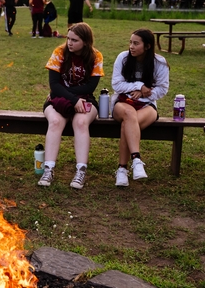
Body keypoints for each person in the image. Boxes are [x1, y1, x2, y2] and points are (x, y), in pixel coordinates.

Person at [38, 22, 104, 189]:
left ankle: (80, 171)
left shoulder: (96, 56)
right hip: (59, 100)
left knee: (80, 122)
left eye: (74, 40)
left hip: (85, 99)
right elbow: (54, 85)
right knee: (55, 122)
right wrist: (73, 99)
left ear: (86, 42)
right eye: (68, 38)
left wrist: (68, 94)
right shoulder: (60, 52)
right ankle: (49, 169)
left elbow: (90, 87)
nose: (69, 43)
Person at [111, 28, 169, 187]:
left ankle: (122, 170)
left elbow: (162, 89)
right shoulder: (123, 58)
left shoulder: (160, 63)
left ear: (148, 46)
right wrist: (139, 85)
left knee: (127, 124)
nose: (131, 46)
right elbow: (116, 84)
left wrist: (145, 94)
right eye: (130, 42)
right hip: (123, 104)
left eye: (136, 43)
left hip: (147, 105)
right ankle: (136, 160)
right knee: (129, 114)